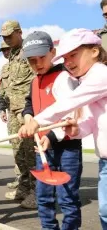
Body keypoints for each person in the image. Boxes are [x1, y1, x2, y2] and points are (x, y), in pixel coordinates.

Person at [19, 28, 107, 229]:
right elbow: (89, 121)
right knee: (105, 211)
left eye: (73, 55)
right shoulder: (83, 79)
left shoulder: (100, 75)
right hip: (102, 159)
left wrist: (38, 123)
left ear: (94, 51)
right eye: (65, 58)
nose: (68, 62)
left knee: (70, 198)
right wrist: (77, 130)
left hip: (66, 149)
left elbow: (69, 103)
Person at [21, 31, 83, 229]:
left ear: (53, 52)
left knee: (68, 198)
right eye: (32, 60)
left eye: (42, 58)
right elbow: (29, 104)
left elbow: (72, 114)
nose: (37, 64)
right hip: (43, 149)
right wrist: (27, 116)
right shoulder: (34, 81)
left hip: (67, 147)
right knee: (44, 197)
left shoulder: (64, 77)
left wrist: (51, 135)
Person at [0, 20, 36, 208]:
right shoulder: (12, 55)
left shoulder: (30, 49)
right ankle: (24, 187)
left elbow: (37, 77)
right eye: (3, 37)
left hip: (26, 109)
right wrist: (4, 107)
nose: (6, 40)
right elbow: (8, 86)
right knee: (18, 151)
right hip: (13, 109)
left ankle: (37, 192)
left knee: (31, 151)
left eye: (9, 36)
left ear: (20, 32)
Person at [0, 41, 22, 190]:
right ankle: (20, 178)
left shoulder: (22, 62)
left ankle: (29, 183)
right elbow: (3, 91)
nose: (5, 52)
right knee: (15, 145)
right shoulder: (5, 68)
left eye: (7, 49)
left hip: (23, 110)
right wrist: (2, 109)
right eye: (3, 51)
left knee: (27, 146)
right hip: (11, 111)